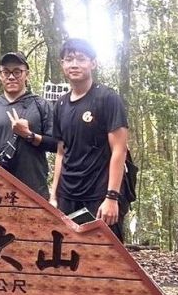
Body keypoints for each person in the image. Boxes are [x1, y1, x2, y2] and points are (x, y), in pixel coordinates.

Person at [51, 38, 130, 241]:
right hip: (68, 194)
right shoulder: (60, 105)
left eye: (81, 59)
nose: (74, 64)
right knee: (68, 253)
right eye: (69, 59)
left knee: (106, 256)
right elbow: (61, 152)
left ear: (93, 63)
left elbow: (119, 150)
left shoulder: (107, 98)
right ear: (62, 64)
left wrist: (112, 197)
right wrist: (54, 195)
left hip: (99, 194)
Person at [0, 51, 56, 198]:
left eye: (17, 71)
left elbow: (56, 144)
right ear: (0, 75)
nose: (11, 76)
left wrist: (29, 135)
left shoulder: (41, 105)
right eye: (6, 72)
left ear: (26, 74)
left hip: (34, 190)